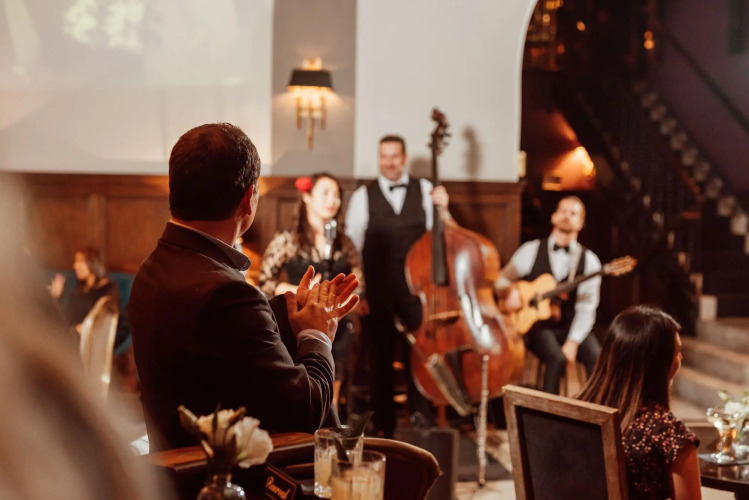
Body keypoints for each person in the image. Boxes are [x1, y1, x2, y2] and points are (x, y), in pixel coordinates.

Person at [128, 123, 359, 452]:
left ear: (174, 191)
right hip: (217, 469)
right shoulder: (226, 293)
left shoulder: (153, 268)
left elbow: (223, 347)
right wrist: (317, 335)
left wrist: (291, 309)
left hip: (172, 464)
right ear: (248, 199)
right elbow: (305, 410)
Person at [0, 175, 165, 499]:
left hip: (81, 336)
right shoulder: (74, 289)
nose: (76, 267)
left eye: (80, 263)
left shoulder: (106, 290)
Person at [345, 134, 451, 438]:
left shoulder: (426, 189)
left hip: (417, 293)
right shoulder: (363, 196)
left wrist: (444, 209)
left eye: (395, 156)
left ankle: (422, 418)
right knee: (378, 359)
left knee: (419, 355)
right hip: (377, 292)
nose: (389, 162)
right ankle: (383, 425)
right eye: (384, 156)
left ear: (404, 158)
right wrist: (359, 292)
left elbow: (442, 235)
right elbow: (353, 248)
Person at [259, 172, 364, 412]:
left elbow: (360, 282)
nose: (333, 200)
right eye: (325, 193)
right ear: (307, 197)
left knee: (332, 391)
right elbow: (266, 281)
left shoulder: (343, 242)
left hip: (337, 323)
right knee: (303, 388)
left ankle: (331, 425)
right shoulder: (288, 239)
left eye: (337, 195)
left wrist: (340, 306)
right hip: (298, 322)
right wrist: (299, 292)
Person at [578, 305, 702, 500]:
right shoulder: (668, 434)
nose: (681, 358)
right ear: (658, 364)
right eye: (677, 352)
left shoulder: (576, 412)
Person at [496, 195, 602, 394]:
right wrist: (510, 291)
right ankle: (546, 412)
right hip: (539, 325)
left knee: (597, 358)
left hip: (571, 324)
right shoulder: (531, 250)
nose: (566, 216)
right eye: (563, 211)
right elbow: (500, 279)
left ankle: (593, 408)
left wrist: (573, 342)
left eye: (573, 213)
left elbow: (586, 309)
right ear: (554, 217)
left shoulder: (590, 262)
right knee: (556, 359)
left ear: (580, 223)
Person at [49, 247, 120, 335]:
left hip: (89, 338)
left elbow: (103, 321)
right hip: (68, 335)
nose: (75, 266)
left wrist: (80, 329)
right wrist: (56, 296)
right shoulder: (79, 288)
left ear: (93, 263)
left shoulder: (109, 288)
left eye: (80, 261)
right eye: (75, 261)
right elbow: (66, 317)